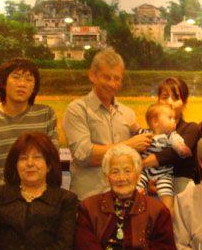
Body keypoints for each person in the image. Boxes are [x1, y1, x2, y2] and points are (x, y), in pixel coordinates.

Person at [63, 48, 152, 200]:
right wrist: (129, 145)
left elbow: (136, 159)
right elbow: (83, 155)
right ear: (92, 75)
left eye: (117, 78)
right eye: (107, 77)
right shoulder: (77, 109)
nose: (112, 84)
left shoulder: (128, 113)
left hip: (125, 199)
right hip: (90, 199)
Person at [0, 58, 58, 208]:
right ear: (3, 83)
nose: (22, 84)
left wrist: (32, 196)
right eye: (16, 77)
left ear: (34, 87)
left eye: (29, 79)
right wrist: (4, 195)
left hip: (37, 203)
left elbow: (51, 159)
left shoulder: (45, 114)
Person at [142, 77, 199, 195]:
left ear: (184, 103)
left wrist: (140, 164)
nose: (169, 102)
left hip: (181, 190)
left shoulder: (191, 128)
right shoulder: (149, 133)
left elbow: (172, 154)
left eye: (175, 98)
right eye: (164, 97)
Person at [136, 103, 191, 212]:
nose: (174, 121)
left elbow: (178, 143)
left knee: (166, 192)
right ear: (155, 122)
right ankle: (139, 205)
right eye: (170, 118)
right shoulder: (145, 133)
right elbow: (135, 131)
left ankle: (168, 212)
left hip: (163, 173)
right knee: (136, 185)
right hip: (144, 171)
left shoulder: (171, 136)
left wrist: (182, 149)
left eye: (174, 118)